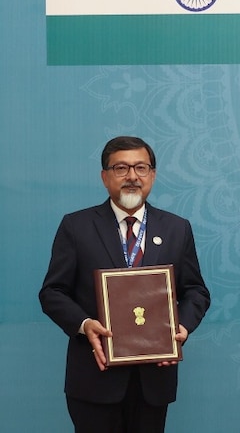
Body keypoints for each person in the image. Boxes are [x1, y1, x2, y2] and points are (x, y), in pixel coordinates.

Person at [38, 136, 211, 433]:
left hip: (153, 382)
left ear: (153, 175)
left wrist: (179, 327)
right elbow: (52, 292)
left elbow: (196, 291)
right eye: (121, 168)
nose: (132, 176)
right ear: (105, 177)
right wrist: (83, 323)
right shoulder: (76, 226)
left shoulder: (176, 228)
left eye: (141, 167)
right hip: (95, 377)